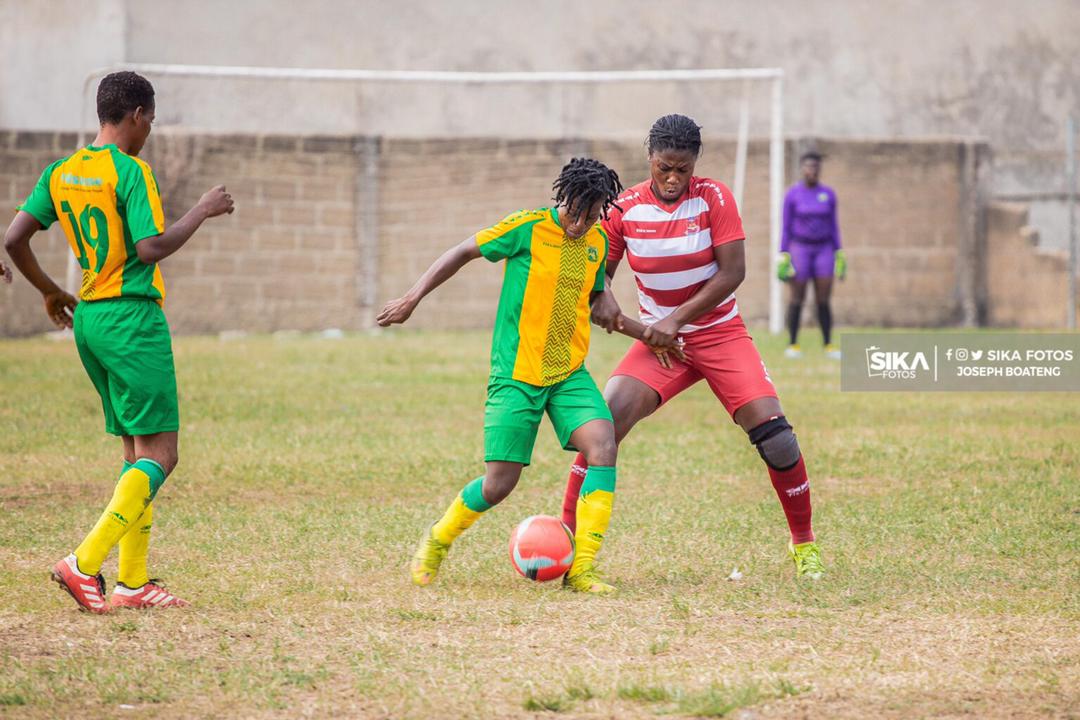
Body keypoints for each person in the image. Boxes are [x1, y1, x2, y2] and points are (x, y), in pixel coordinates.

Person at [378, 157, 673, 594]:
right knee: (499, 485)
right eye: (576, 212)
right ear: (563, 199)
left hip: (568, 376)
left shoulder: (594, 244)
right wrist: (411, 298)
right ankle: (437, 541)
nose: (581, 223)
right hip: (516, 376)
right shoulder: (528, 227)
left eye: (592, 216)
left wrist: (648, 333)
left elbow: (599, 306)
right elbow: (462, 251)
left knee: (603, 444)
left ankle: (582, 569)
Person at [3, 71, 234, 613]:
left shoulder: (61, 171)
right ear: (136, 115)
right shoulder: (131, 172)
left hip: (90, 321)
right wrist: (201, 209)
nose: (149, 130)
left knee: (136, 453)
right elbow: (150, 248)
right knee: (163, 454)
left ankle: (132, 582)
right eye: (150, 120)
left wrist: (50, 291)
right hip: (132, 319)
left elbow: (14, 238)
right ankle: (84, 563)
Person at [560, 114, 825, 580]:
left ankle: (803, 545)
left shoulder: (714, 197)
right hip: (657, 347)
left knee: (778, 440)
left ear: (695, 164)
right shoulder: (623, 208)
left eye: (682, 168)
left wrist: (675, 320)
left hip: (719, 335)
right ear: (650, 159)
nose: (672, 178)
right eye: (664, 167)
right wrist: (603, 293)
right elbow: (600, 267)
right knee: (601, 428)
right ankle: (565, 535)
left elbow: (732, 271)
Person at [777, 151, 845, 359]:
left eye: (815, 167)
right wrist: (783, 254)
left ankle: (828, 344)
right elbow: (786, 226)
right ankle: (793, 344)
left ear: (819, 170)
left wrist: (839, 252)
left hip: (824, 249)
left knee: (823, 298)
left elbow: (834, 226)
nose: (812, 171)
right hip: (800, 248)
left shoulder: (828, 194)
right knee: (797, 296)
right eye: (808, 167)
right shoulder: (793, 194)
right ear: (802, 169)